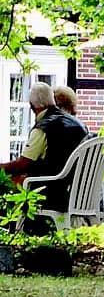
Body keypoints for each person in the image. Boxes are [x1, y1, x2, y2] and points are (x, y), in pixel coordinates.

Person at [0, 82, 89, 213]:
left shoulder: (43, 128)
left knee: (6, 183)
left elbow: (21, 165)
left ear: (31, 106)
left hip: (50, 190)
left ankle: (12, 226)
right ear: (52, 100)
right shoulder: (79, 124)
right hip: (75, 190)